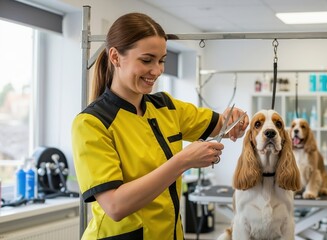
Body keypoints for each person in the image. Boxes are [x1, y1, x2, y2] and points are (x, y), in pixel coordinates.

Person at [71, 12, 249, 240]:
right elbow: (115, 206)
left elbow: (221, 124)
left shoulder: (166, 107)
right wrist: (183, 161)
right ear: (115, 57)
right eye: (147, 60)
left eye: (161, 60)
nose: (157, 70)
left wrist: (234, 119)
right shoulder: (92, 124)